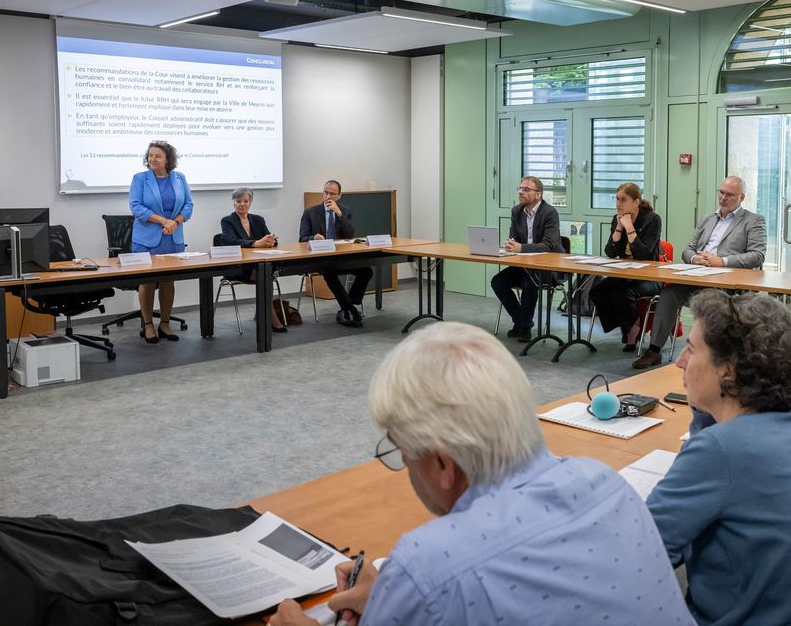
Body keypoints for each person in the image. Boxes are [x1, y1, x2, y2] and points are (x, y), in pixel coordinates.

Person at [268, 322, 692, 626]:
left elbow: (445, 582)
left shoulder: (427, 565)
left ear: (442, 463)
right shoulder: (606, 484)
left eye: (401, 453)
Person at [646, 290, 791, 625]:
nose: (680, 361)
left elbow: (644, 548)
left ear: (729, 370)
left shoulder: (719, 451)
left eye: (691, 349)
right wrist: (707, 406)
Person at [632, 175, 766, 369]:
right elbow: (688, 249)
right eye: (721, 192)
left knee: (712, 301)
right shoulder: (708, 219)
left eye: (729, 195)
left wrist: (723, 261)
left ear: (742, 197)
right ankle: (654, 350)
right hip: (697, 276)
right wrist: (695, 258)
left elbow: (757, 255)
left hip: (726, 284)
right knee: (669, 294)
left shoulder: (753, 221)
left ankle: (711, 354)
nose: (723, 198)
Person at [128, 141, 193, 344]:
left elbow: (189, 205)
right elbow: (136, 207)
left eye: (157, 156)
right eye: (150, 155)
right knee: (147, 282)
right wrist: (164, 220)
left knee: (168, 281)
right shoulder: (140, 179)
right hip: (146, 241)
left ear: (168, 160)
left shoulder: (179, 178)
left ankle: (164, 323)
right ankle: (148, 324)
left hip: (173, 239)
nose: (152, 159)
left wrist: (176, 221)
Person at [588, 182, 662, 351]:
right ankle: (626, 326)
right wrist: (619, 228)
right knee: (597, 290)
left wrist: (629, 227)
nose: (618, 204)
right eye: (617, 199)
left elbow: (643, 255)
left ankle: (633, 328)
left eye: (623, 200)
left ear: (636, 202)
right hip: (626, 274)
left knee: (622, 293)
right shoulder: (617, 218)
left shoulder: (652, 219)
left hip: (650, 276)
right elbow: (610, 252)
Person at [489, 176, 563, 342]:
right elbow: (514, 237)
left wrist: (521, 248)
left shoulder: (550, 213)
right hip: (523, 265)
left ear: (538, 195)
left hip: (547, 267)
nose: (521, 192)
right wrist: (510, 244)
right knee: (498, 282)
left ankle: (522, 326)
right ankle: (523, 322)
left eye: (526, 189)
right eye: (520, 188)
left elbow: (549, 245)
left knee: (530, 283)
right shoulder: (517, 211)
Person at [298, 180, 373, 328]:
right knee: (329, 272)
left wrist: (339, 214)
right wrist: (314, 238)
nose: (328, 196)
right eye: (326, 192)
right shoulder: (310, 212)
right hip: (319, 259)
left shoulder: (345, 211)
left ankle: (347, 306)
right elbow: (302, 238)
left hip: (341, 257)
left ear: (339, 196)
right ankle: (350, 309)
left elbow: (350, 234)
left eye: (332, 193)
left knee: (366, 271)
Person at [220, 187, 287, 333]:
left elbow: (270, 239)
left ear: (250, 202)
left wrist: (270, 241)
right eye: (238, 201)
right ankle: (271, 318)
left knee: (265, 270)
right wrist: (256, 243)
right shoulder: (227, 221)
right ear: (233, 202)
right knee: (265, 272)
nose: (241, 204)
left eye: (245, 201)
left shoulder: (258, 219)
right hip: (239, 268)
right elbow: (230, 241)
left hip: (258, 266)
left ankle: (265, 314)